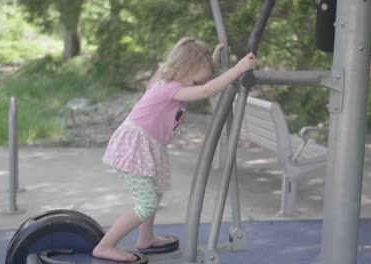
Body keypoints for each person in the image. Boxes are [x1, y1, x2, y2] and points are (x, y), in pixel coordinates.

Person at [92, 37, 256, 262]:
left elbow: (202, 81)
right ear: (185, 69)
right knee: (146, 204)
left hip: (151, 144)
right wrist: (238, 69)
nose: (197, 85)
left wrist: (213, 59)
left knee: (156, 193)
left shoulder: (171, 78)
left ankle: (145, 238)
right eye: (196, 80)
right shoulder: (169, 88)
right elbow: (205, 91)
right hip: (136, 145)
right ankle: (106, 245)